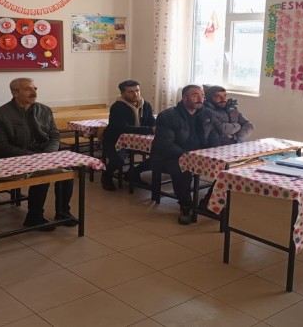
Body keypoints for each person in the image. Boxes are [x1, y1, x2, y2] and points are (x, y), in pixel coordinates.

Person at [0, 77, 74, 231]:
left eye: (35, 88)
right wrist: (33, 157)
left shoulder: (44, 110)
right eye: (28, 89)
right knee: (43, 173)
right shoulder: (0, 115)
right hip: (16, 158)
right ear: (15, 93)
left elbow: (55, 136)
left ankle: (63, 212)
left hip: (43, 154)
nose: (34, 92)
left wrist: (47, 154)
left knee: (67, 171)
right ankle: (34, 217)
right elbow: (1, 146)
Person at [151, 84, 208, 225]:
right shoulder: (168, 116)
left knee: (225, 167)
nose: (200, 99)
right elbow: (166, 145)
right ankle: (185, 206)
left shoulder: (206, 114)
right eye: (195, 95)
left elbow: (211, 136)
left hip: (198, 154)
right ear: (184, 98)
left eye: (202, 96)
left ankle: (208, 202)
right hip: (171, 156)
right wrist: (188, 157)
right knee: (182, 171)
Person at [199, 85, 255, 211]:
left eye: (224, 96)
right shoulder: (207, 111)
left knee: (247, 165)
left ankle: (224, 201)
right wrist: (237, 125)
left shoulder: (232, 108)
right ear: (210, 98)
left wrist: (235, 137)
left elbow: (249, 125)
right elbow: (223, 129)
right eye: (218, 97)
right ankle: (208, 202)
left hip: (234, 144)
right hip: (215, 147)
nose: (223, 99)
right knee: (227, 172)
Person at [100, 79, 156, 191]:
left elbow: (151, 121)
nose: (135, 94)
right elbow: (123, 128)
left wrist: (155, 127)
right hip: (115, 140)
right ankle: (106, 176)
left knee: (159, 156)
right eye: (130, 92)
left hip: (137, 140)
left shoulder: (145, 104)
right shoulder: (117, 107)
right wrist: (150, 130)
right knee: (118, 160)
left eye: (137, 90)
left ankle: (133, 173)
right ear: (123, 94)